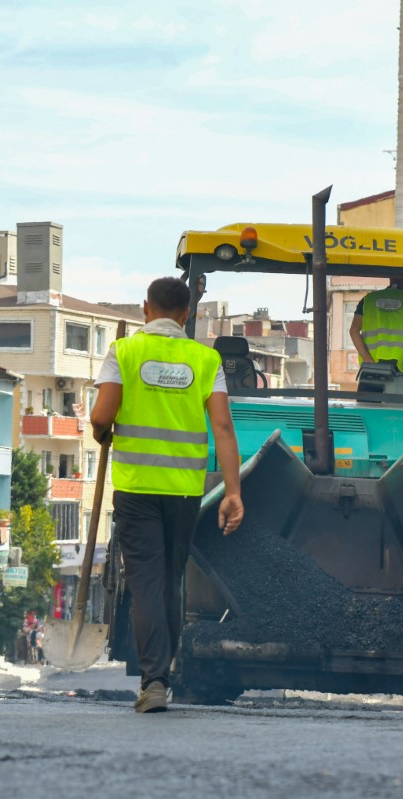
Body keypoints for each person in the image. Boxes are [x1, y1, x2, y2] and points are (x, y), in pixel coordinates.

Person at [91, 276, 246, 714]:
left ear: (145, 309)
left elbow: (103, 414)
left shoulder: (125, 352)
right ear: (185, 315)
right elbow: (222, 428)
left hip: (137, 489)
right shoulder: (204, 358)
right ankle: (165, 668)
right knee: (171, 583)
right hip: (183, 492)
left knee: (146, 584)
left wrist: (101, 430)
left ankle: (154, 680)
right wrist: (232, 493)